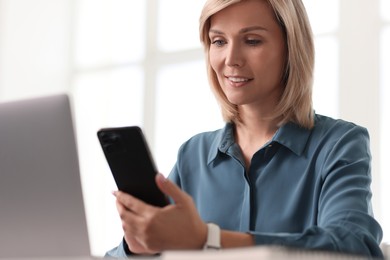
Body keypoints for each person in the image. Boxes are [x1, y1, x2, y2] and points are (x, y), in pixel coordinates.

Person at [106, 0, 383, 258]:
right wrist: (138, 247)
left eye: (252, 41)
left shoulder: (339, 144)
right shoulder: (194, 154)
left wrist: (207, 239)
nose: (231, 59)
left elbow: (354, 246)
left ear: (291, 47)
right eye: (218, 41)